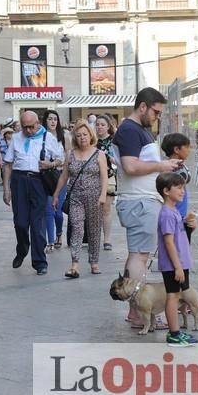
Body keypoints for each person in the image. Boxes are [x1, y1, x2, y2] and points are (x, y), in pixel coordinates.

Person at [112, 87, 181, 329]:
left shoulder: (137, 130)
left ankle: (137, 312)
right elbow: (131, 167)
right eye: (155, 111)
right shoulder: (130, 130)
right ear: (142, 106)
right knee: (140, 256)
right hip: (140, 201)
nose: (157, 116)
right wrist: (161, 165)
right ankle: (140, 313)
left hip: (142, 200)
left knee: (139, 255)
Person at [2, 110, 63, 275]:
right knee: (21, 222)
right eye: (25, 127)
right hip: (19, 181)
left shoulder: (48, 138)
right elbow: (7, 163)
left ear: (38, 123)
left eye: (31, 127)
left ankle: (39, 261)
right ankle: (22, 249)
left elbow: (60, 159)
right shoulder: (16, 138)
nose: (28, 131)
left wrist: (50, 165)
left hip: (38, 181)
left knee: (38, 224)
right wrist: (6, 189)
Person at [52, 121, 107, 278]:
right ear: (74, 138)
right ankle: (74, 264)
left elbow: (104, 176)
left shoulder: (99, 154)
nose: (82, 138)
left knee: (94, 229)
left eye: (85, 134)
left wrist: (103, 194)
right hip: (76, 196)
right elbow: (64, 176)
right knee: (76, 227)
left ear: (90, 135)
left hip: (95, 197)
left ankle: (94, 261)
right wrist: (56, 194)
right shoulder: (70, 154)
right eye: (78, 135)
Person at [156, 172, 198, 346]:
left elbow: (179, 236)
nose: (183, 191)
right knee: (173, 297)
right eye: (179, 188)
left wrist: (190, 226)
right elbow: (168, 242)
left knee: (177, 295)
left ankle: (176, 332)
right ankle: (174, 334)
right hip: (174, 264)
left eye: (183, 188)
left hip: (179, 262)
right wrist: (178, 267)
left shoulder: (174, 212)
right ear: (166, 191)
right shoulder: (166, 214)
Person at [161, 133, 198, 243]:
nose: (189, 150)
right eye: (186, 147)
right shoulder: (173, 169)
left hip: (181, 216)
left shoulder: (179, 166)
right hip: (176, 218)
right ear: (177, 149)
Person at [42, 110, 69, 252]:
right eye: (50, 119)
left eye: (55, 119)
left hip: (60, 176)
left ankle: (59, 233)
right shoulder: (41, 136)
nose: (53, 122)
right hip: (46, 177)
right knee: (48, 209)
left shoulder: (64, 137)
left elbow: (68, 157)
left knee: (58, 212)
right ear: (45, 120)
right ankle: (50, 241)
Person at [95, 114, 118, 250]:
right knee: (93, 209)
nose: (99, 127)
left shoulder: (114, 141)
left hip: (109, 175)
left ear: (108, 126)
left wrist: (113, 159)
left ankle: (107, 239)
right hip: (93, 176)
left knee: (106, 208)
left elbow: (118, 159)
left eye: (102, 125)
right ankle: (94, 237)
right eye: (97, 124)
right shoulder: (92, 141)